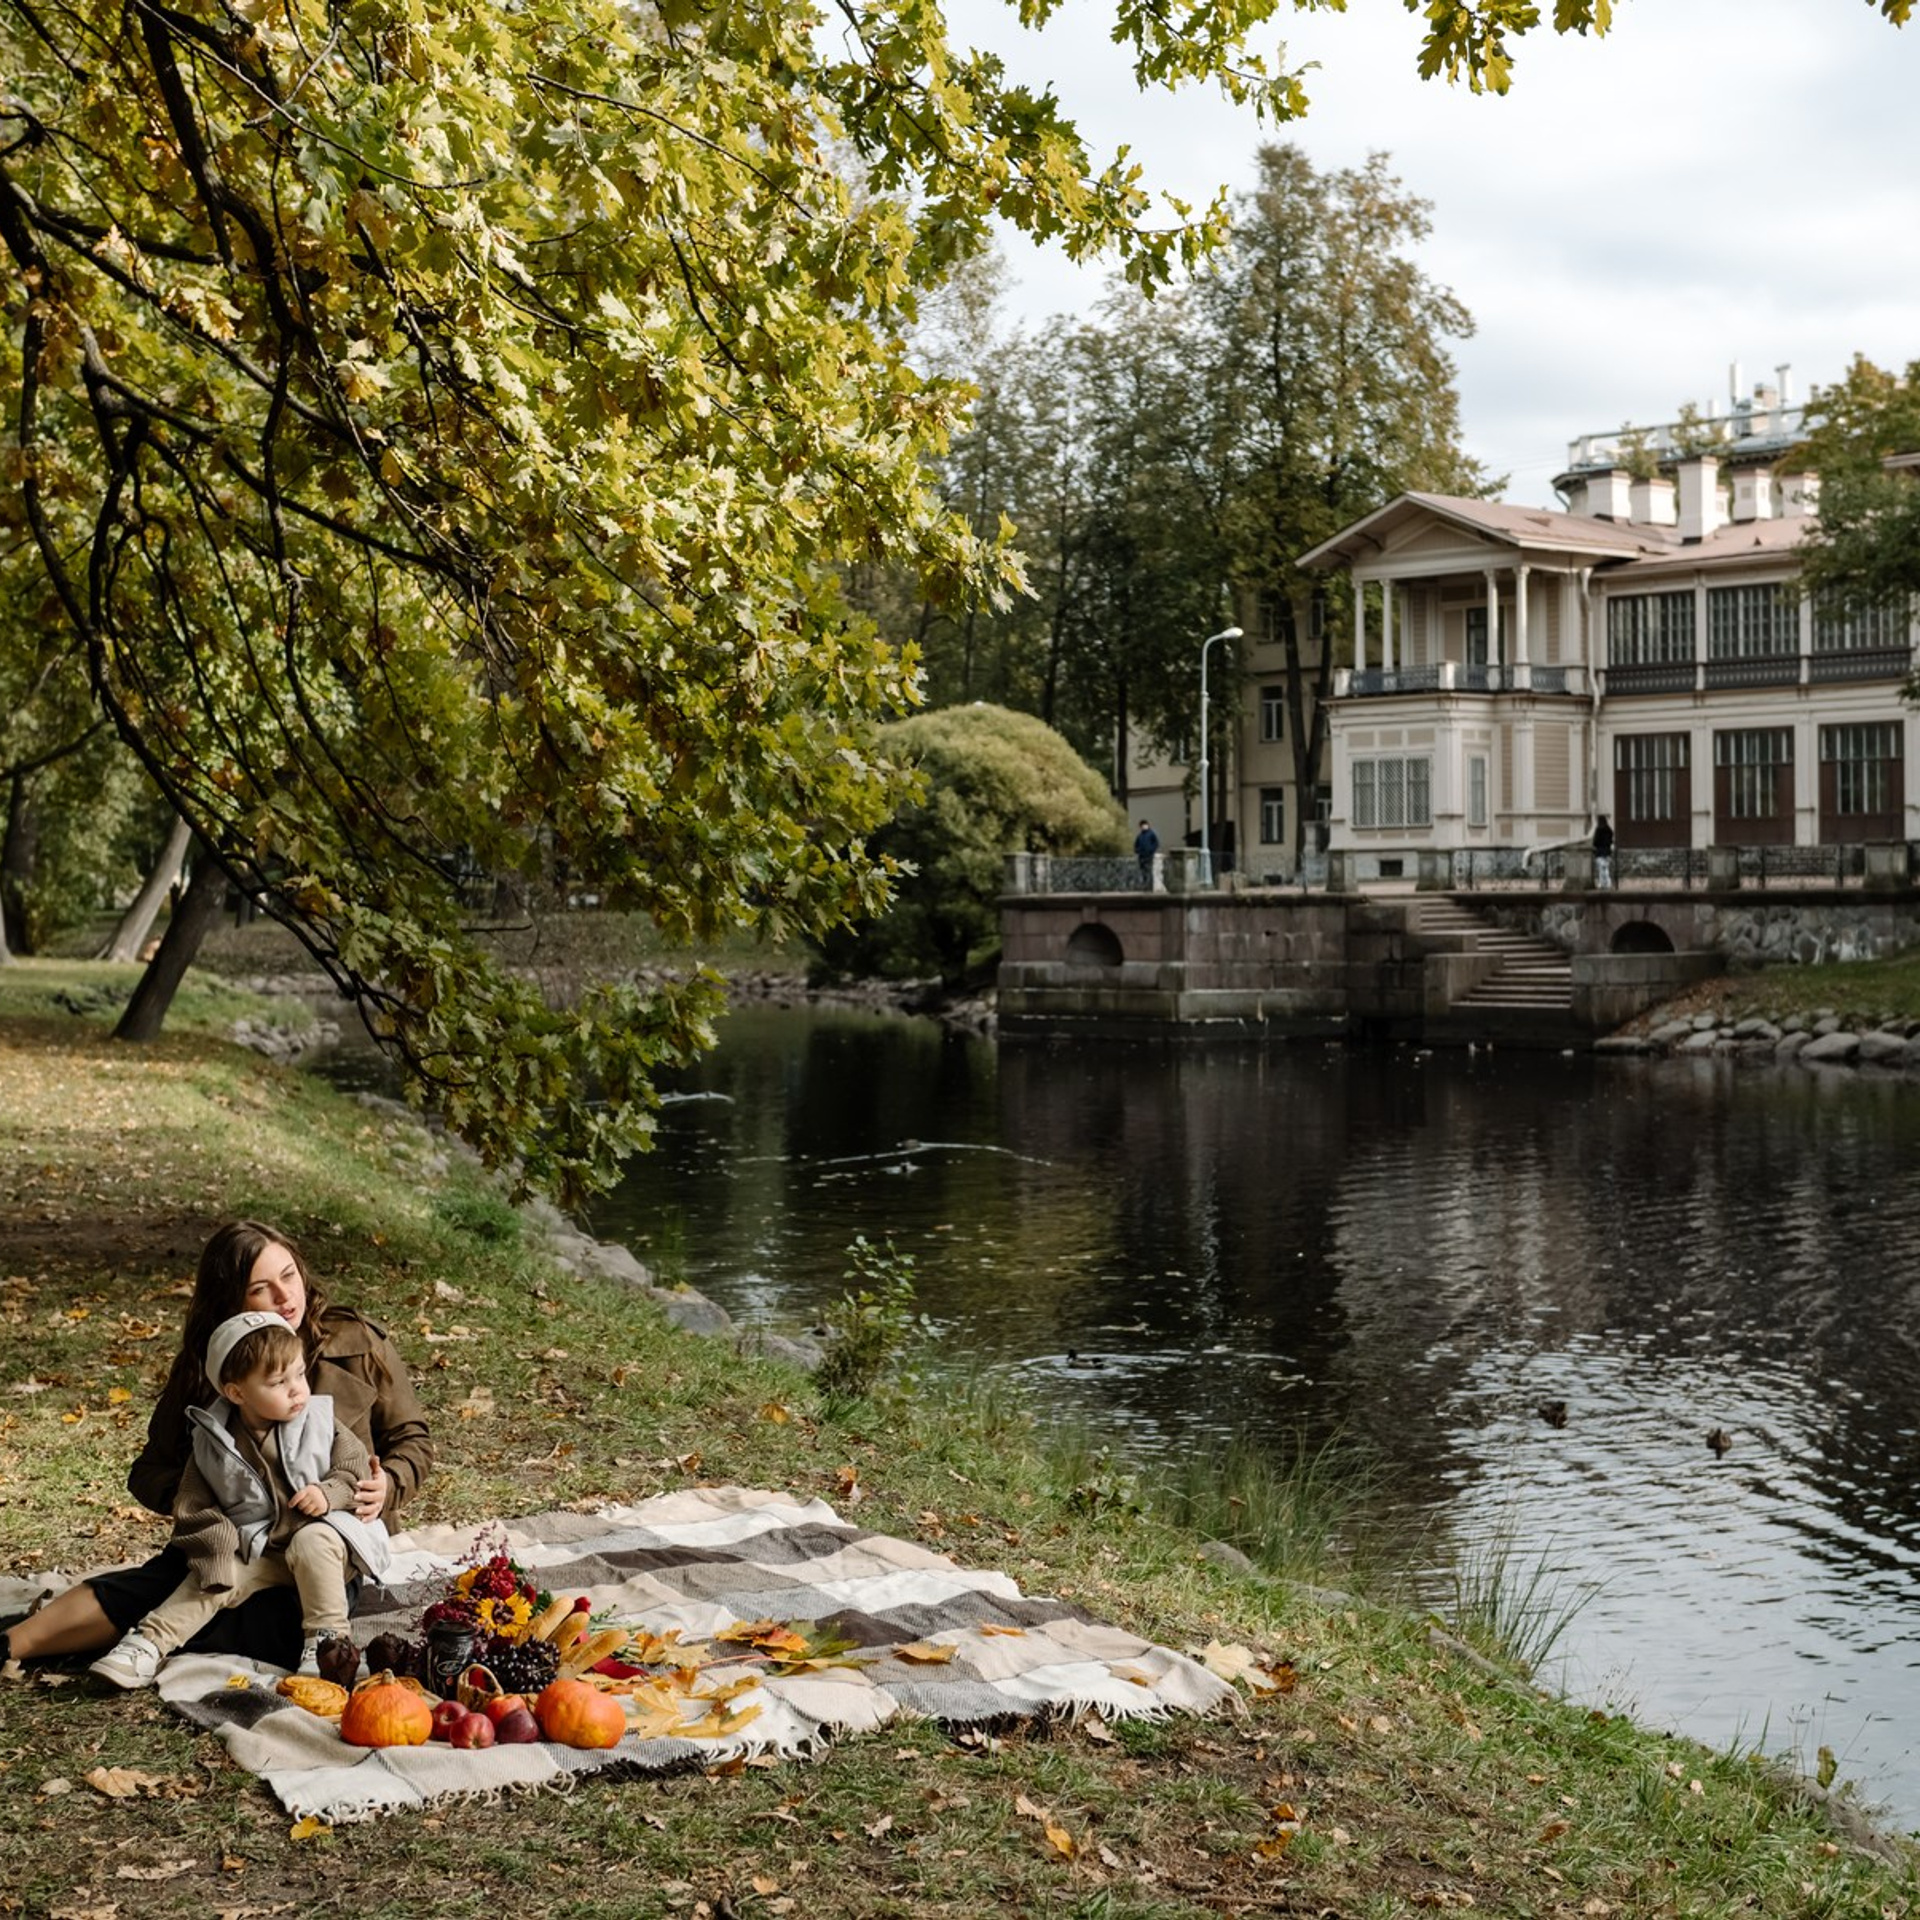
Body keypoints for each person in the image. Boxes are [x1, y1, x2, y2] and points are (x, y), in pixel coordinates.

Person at [2, 1221, 431, 1675]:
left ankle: (132, 1637)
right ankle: (14, 1642)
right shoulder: (207, 1368)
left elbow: (412, 1440)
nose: (285, 1296)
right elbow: (150, 1471)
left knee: (291, 1622)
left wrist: (388, 1485)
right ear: (233, 1304)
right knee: (184, 1582)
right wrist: (213, 1506)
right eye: (261, 1289)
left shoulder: (357, 1342)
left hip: (327, 1542)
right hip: (237, 1538)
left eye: (289, 1275)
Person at [90, 1310, 394, 1688]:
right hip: (263, 1549)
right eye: (278, 1381)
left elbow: (355, 1468)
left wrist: (328, 1493)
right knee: (218, 1573)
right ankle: (146, 1644)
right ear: (236, 1392)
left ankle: (328, 1647)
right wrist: (217, 1545)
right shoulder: (213, 1444)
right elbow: (193, 1505)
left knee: (311, 1540)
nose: (297, 1388)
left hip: (327, 1546)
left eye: (299, 1374)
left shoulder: (320, 1421)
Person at [1133, 818, 1160, 884]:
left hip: (1149, 856)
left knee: (1149, 870)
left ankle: (1149, 885)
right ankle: (1145, 885)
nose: (1143, 827)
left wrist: (1151, 850)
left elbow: (1156, 843)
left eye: (1144, 825)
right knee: (1143, 871)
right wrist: (1137, 851)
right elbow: (1136, 845)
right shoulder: (1140, 836)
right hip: (1141, 856)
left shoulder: (1151, 834)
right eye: (1142, 826)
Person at [1592, 813, 1615, 889]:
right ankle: (1608, 883)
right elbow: (1611, 840)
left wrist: (1596, 846)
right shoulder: (1609, 830)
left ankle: (1602, 884)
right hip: (1607, 851)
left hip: (1600, 852)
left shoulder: (1598, 830)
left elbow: (1595, 841)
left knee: (1601, 869)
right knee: (1606, 868)